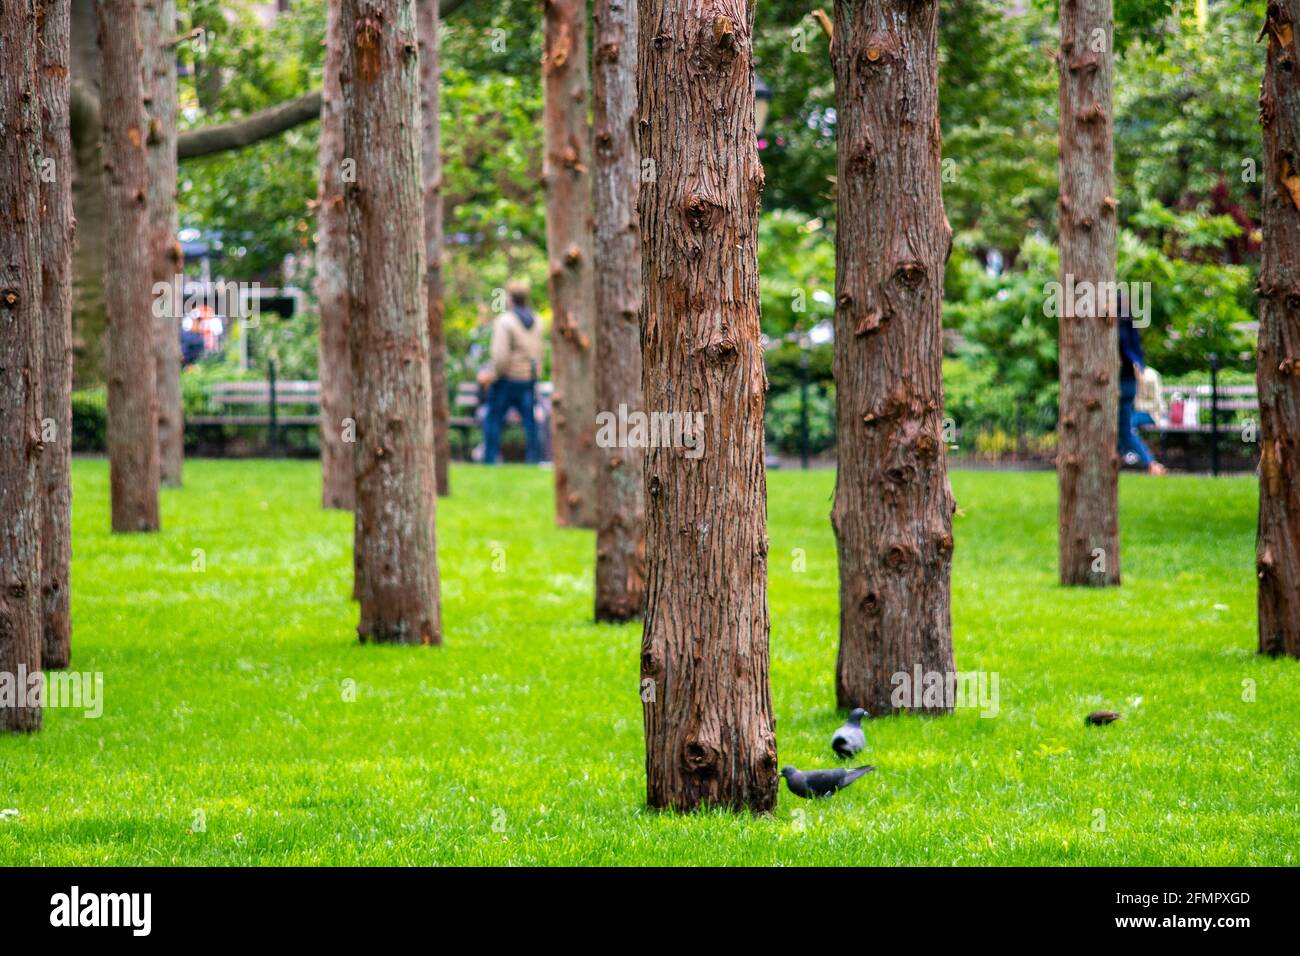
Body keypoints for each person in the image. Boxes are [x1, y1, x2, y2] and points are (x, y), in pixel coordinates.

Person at [481, 280, 543, 464]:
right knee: (530, 423)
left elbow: (500, 356)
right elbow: (539, 351)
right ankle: (534, 460)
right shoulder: (537, 321)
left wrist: (494, 375)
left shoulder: (505, 321)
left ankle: (490, 459)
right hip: (528, 380)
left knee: (492, 419)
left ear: (509, 299)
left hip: (506, 380)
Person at [1118, 309, 1166, 476]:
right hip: (1128, 387)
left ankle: (1151, 464)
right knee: (1120, 428)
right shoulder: (1130, 329)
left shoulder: (1119, 330)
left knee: (1124, 429)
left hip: (1125, 388)